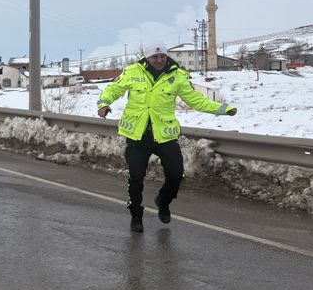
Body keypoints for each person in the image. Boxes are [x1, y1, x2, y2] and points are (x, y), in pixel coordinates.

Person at [97, 41, 237, 233]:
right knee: (135, 178)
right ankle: (136, 214)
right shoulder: (132, 72)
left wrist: (224, 109)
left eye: (162, 56)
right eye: (155, 57)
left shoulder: (177, 76)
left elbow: (196, 100)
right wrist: (104, 104)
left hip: (165, 135)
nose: (159, 60)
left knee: (176, 173)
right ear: (147, 58)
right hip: (137, 135)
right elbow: (114, 89)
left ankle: (163, 201)